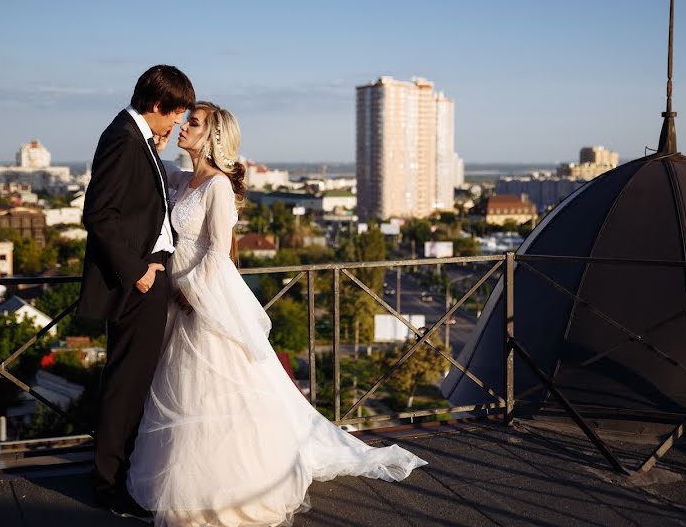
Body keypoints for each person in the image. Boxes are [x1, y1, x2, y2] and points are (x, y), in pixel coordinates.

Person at [127, 101, 427, 526]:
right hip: (177, 295)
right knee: (184, 388)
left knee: (218, 385)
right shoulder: (182, 179)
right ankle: (189, 475)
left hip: (204, 297)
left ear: (212, 136)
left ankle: (234, 482)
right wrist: (150, 137)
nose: (181, 128)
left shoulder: (217, 187)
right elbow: (149, 172)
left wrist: (191, 294)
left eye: (190, 123)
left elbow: (217, 251)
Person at [79, 65, 195, 520]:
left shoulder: (138, 136)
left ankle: (117, 475)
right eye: (175, 114)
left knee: (134, 383)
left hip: (147, 278)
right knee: (126, 387)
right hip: (137, 285)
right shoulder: (123, 137)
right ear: (157, 105)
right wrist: (138, 272)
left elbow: (142, 205)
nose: (177, 124)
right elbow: (100, 215)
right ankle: (108, 485)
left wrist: (158, 146)